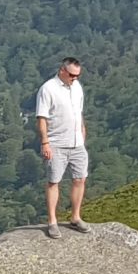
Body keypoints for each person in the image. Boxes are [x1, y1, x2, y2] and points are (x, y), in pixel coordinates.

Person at [35, 56, 90, 238]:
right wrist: (45, 142)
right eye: (72, 75)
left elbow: (78, 111)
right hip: (57, 143)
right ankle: (52, 221)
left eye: (78, 75)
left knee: (80, 179)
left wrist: (82, 129)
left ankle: (75, 217)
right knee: (54, 181)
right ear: (62, 71)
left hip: (77, 143)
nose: (75, 79)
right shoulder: (48, 89)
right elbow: (42, 118)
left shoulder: (77, 88)